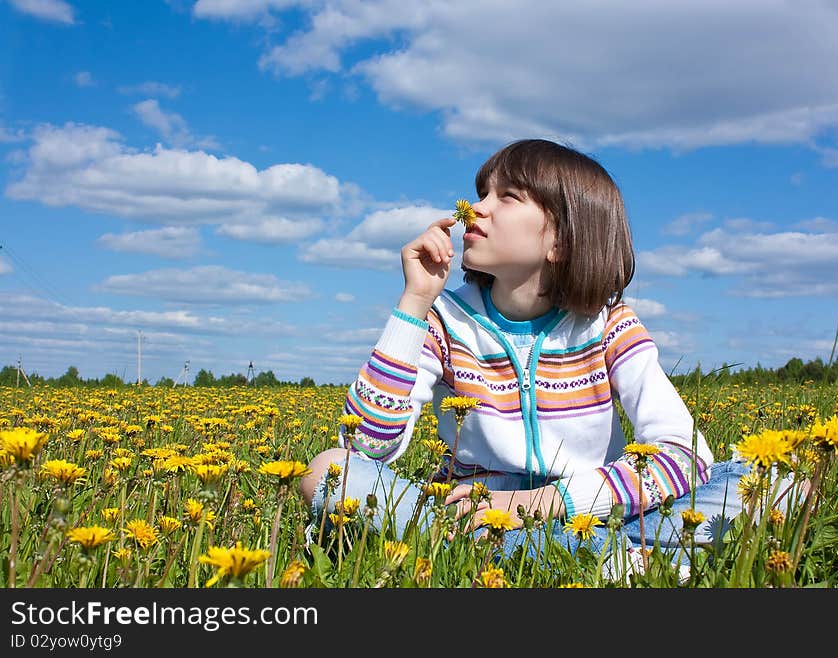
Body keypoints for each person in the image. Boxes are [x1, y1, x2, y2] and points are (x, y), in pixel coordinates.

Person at [299, 138, 752, 574]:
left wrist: (539, 504)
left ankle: (577, 556)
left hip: (589, 509)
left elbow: (685, 455)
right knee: (328, 472)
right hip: (473, 516)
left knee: (770, 483)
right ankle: (616, 562)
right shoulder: (445, 321)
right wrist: (414, 302)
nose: (476, 208)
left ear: (561, 240)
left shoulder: (608, 324)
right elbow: (364, 448)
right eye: (482, 193)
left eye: (508, 196)